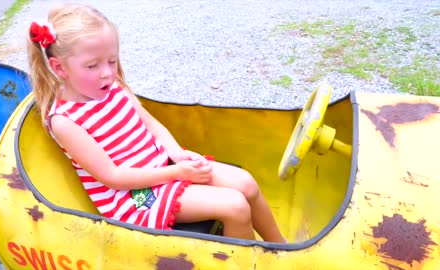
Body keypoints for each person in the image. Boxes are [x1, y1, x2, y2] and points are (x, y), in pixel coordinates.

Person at [26, 3, 287, 243]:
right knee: (235, 207)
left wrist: (177, 154)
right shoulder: (65, 121)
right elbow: (113, 177)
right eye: (92, 65)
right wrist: (176, 173)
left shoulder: (114, 88)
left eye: (112, 61)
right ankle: (248, 261)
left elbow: (153, 126)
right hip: (136, 199)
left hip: (163, 169)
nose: (107, 72)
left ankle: (281, 249)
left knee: (246, 183)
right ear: (60, 68)